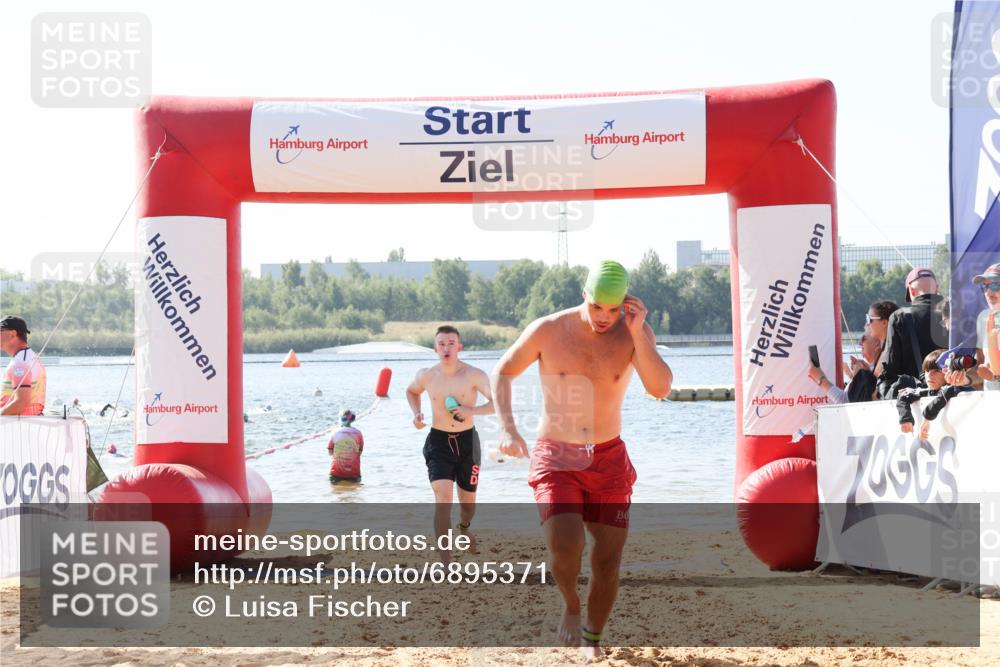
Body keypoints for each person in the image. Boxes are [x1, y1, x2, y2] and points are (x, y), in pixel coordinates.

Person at [491, 260, 672, 658]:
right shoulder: (548, 330)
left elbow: (660, 388)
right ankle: (571, 604)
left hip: (609, 459)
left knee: (607, 561)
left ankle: (593, 636)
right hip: (557, 454)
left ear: (626, 303)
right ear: (583, 295)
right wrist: (507, 428)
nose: (605, 318)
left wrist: (640, 333)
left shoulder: (633, 333)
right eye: (597, 307)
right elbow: (503, 371)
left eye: (613, 309)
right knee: (567, 546)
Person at [406, 325, 494, 561]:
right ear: (435, 348)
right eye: (442, 344)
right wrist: (417, 414)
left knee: (468, 506)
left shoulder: (474, 375)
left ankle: (464, 528)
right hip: (439, 442)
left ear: (459, 347)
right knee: (443, 497)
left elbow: (497, 404)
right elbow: (411, 392)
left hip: (468, 443)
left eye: (451, 344)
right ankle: (445, 559)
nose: (446, 348)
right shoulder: (427, 375)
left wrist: (470, 410)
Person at [877, 268, 948, 399]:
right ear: (937, 288)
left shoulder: (900, 317)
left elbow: (890, 368)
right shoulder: (954, 314)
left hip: (915, 401)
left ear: (911, 290)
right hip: (953, 396)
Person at [896, 350, 973, 440]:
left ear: (949, 372)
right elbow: (903, 394)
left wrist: (926, 420)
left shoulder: (957, 388)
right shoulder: (925, 390)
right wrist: (906, 419)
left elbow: (946, 393)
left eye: (937, 370)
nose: (929, 375)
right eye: (927, 370)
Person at [807, 333, 882, 404]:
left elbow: (845, 402)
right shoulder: (875, 371)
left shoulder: (880, 373)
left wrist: (819, 378)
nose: (859, 342)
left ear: (878, 344)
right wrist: (856, 376)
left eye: (864, 338)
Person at [0, 316, 46, 416]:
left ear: (12, 334)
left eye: (0, 332)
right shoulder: (31, 357)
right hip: (26, 424)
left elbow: (21, 402)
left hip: (18, 426)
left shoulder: (20, 363)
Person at [972, 263, 1000, 391]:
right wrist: (963, 379)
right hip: (991, 404)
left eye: (995, 285)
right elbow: (981, 368)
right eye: (985, 286)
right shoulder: (983, 317)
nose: (988, 292)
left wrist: (995, 376)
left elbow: (993, 374)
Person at [864, 300, 899, 378]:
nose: (867, 324)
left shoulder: (890, 354)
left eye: (870, 319)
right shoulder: (885, 350)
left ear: (884, 323)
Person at [328, 408, 364, 483]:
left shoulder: (335, 432)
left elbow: (330, 452)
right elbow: (359, 452)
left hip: (336, 472)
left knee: (335, 493)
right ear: (352, 419)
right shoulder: (358, 433)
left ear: (341, 418)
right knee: (354, 493)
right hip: (354, 473)